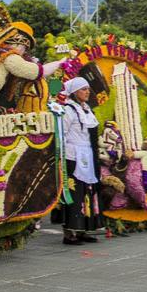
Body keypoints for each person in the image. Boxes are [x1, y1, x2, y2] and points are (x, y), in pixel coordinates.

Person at [60, 76, 103, 244]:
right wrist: (65, 156)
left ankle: (84, 229)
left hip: (87, 155)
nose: (87, 92)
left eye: (87, 89)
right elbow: (62, 133)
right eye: (83, 89)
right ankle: (70, 232)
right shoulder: (68, 110)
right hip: (73, 155)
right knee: (74, 192)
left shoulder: (87, 109)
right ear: (74, 92)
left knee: (87, 190)